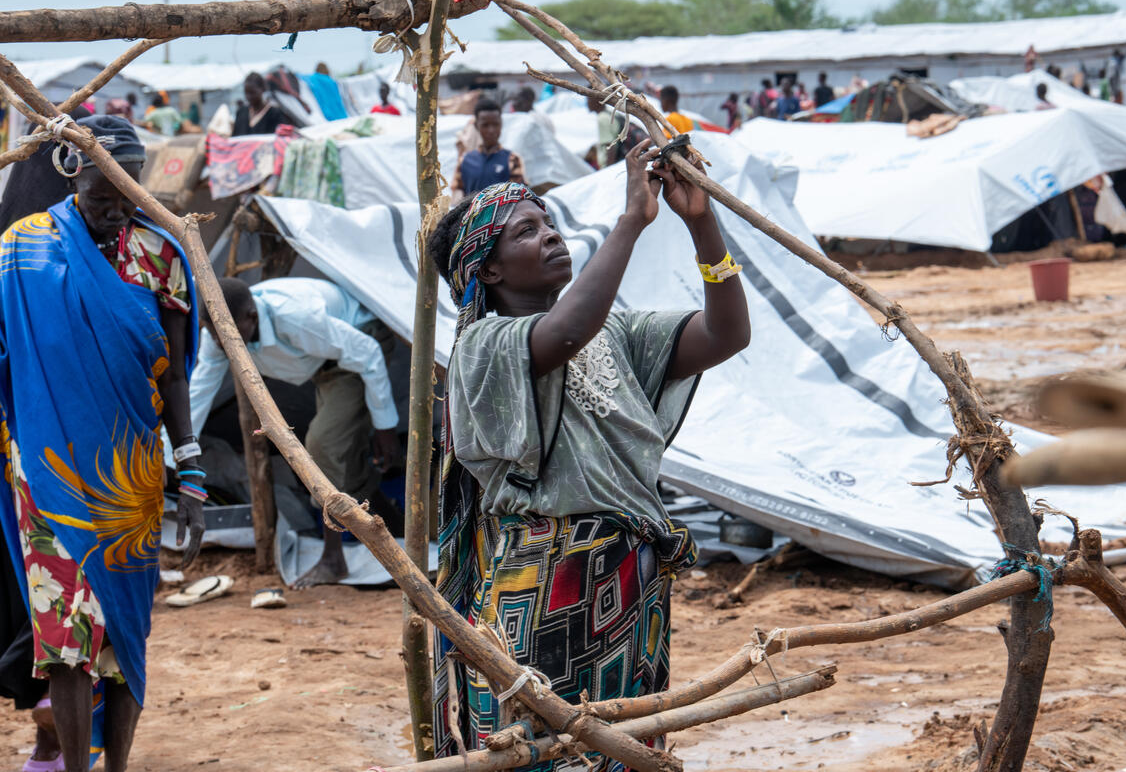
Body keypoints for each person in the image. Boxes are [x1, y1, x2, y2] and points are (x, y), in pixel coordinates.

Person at [428, 140, 750, 763]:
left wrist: (702, 222)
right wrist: (631, 221)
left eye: (549, 222)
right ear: (487, 271)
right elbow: (566, 331)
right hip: (546, 584)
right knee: (549, 747)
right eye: (526, 231)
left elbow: (727, 333)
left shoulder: (619, 335)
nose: (550, 235)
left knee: (622, 745)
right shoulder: (482, 346)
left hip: (629, 582)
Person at [0, 115, 206, 772]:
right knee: (64, 637)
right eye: (101, 194)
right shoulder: (19, 251)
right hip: (45, 469)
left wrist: (193, 474)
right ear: (72, 173)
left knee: (122, 634)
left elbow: (172, 374)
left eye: (128, 192)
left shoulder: (160, 254)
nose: (117, 209)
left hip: (130, 479)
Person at [187, 277, 402, 589]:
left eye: (225, 334)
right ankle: (393, 525)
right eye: (213, 333)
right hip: (323, 366)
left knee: (321, 444)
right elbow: (200, 392)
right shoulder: (221, 330)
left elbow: (367, 352)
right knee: (340, 451)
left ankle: (333, 558)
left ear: (251, 317)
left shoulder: (295, 317)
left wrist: (386, 428)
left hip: (361, 344)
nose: (220, 342)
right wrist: (175, 456)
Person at [0, 102, 91, 772]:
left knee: (51, 603)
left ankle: (52, 738)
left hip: (45, 461)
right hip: (38, 459)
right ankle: (52, 738)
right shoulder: (37, 246)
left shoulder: (28, 245)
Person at [451, 98, 525, 201]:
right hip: (472, 216)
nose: (491, 130)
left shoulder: (512, 160)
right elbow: (457, 195)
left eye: (495, 124)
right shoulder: (465, 160)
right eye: (485, 125)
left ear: (501, 124)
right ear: (477, 126)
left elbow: (518, 198)